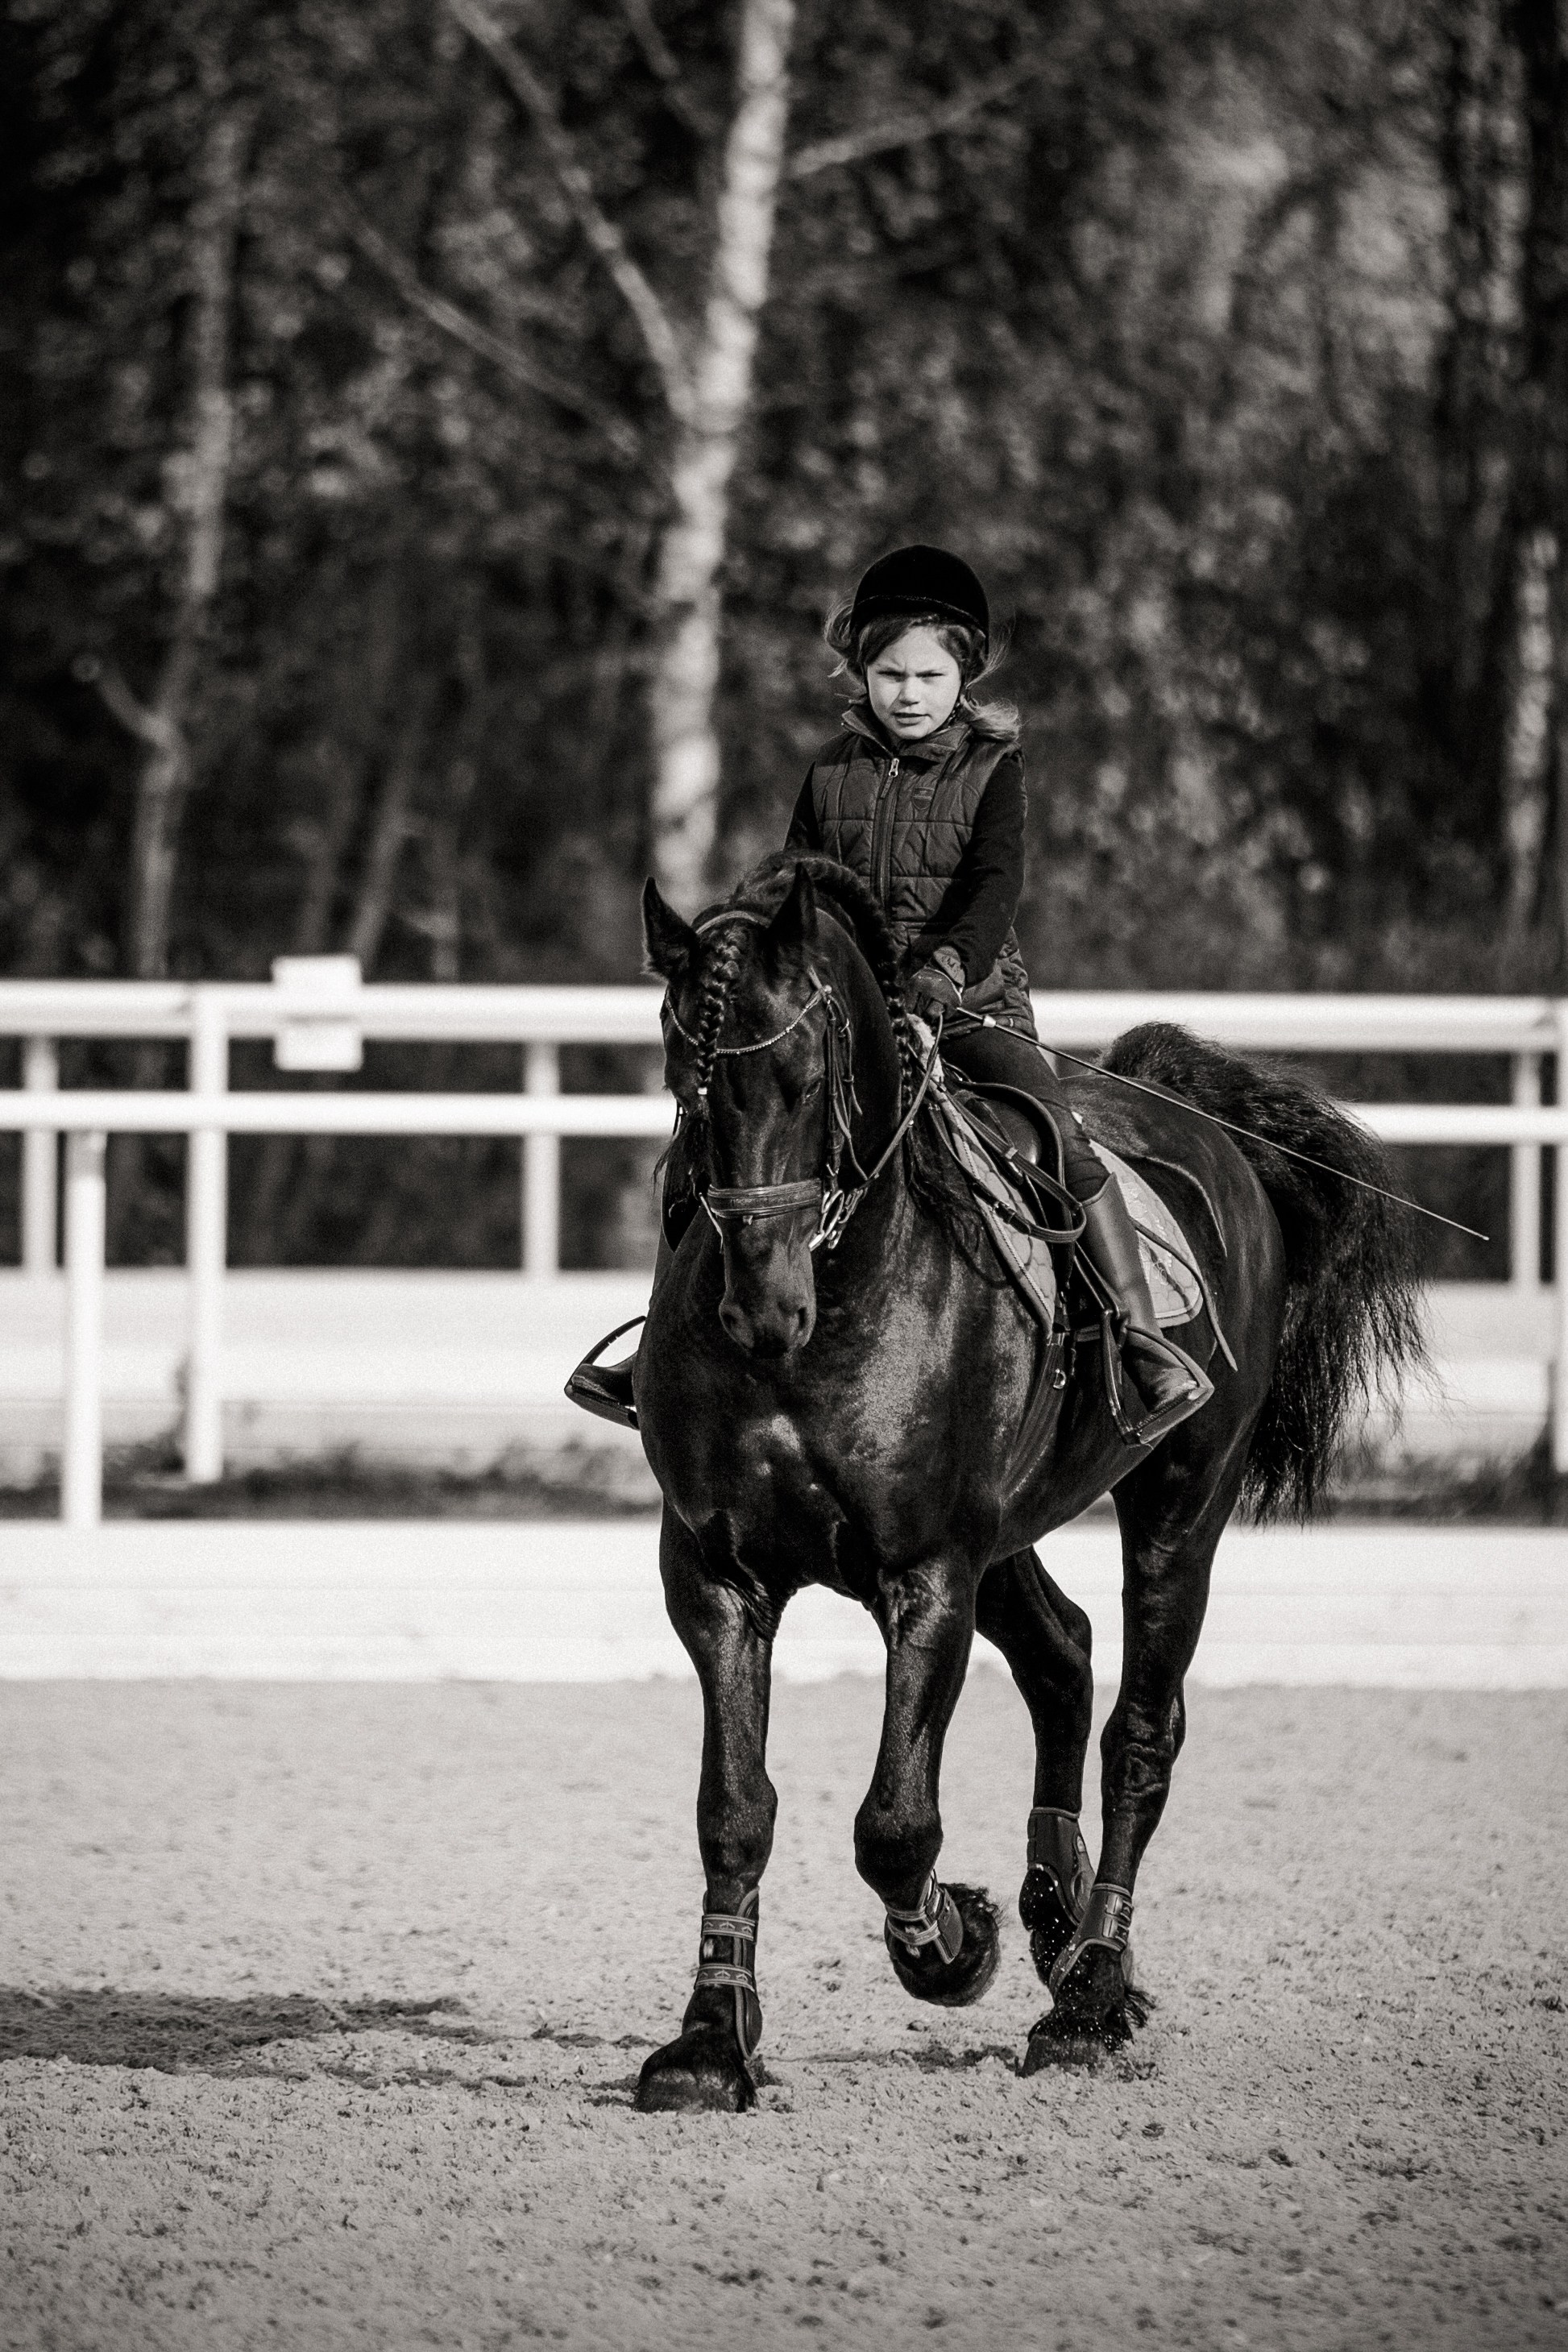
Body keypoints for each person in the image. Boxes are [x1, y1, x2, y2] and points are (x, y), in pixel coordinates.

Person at [567, 543, 1207, 1438]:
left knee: (1060, 1142)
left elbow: (993, 891)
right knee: (704, 1146)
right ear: (860, 672)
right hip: (843, 1014)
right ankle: (657, 1351)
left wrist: (940, 978)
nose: (908, 694)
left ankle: (1140, 1340)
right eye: (889, 674)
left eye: (928, 676)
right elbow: (791, 882)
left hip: (970, 1004)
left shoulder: (994, 769)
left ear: (965, 675)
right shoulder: (830, 769)